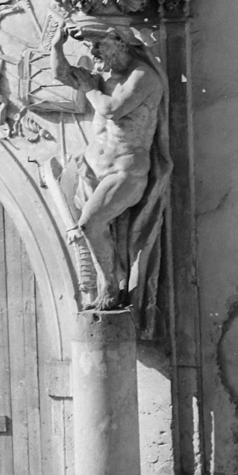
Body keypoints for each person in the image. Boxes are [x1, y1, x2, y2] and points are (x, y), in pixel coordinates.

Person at [49, 21, 171, 312]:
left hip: (125, 170)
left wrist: (90, 88)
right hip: (92, 169)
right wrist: (56, 46)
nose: (93, 52)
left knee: (90, 224)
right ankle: (108, 281)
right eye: (90, 46)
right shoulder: (102, 78)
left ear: (120, 43)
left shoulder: (143, 77)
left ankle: (110, 287)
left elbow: (112, 109)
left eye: (98, 45)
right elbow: (61, 73)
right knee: (92, 230)